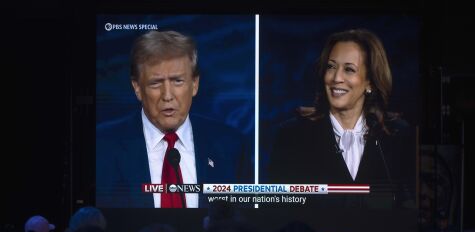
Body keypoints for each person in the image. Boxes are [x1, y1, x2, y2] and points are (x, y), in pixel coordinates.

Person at [96, 30, 253, 208]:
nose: (167, 96)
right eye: (156, 83)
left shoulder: (230, 145)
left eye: (177, 81)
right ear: (137, 87)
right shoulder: (103, 145)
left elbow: (241, 223)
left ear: (195, 84)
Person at [269, 28, 416, 208]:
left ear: (369, 81)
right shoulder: (292, 135)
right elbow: (278, 210)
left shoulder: (396, 134)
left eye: (349, 69)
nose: (336, 78)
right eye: (331, 67)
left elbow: (408, 208)